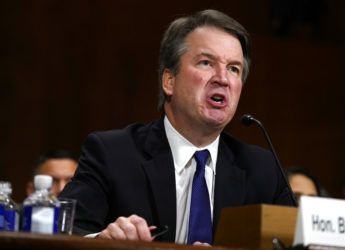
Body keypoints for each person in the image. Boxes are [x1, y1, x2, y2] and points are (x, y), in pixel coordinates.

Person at [59, 9, 295, 245]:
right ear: (169, 81)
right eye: (206, 63)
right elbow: (63, 230)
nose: (222, 78)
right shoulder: (112, 153)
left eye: (234, 69)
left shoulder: (261, 170)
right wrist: (103, 240)